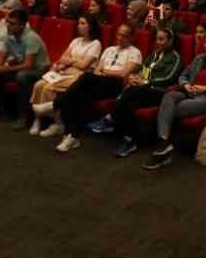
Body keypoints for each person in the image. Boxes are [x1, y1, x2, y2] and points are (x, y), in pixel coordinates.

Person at [142, 24, 206, 170]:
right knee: (169, 96)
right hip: (189, 92)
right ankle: (163, 143)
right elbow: (183, 75)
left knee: (171, 108)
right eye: (205, 42)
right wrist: (185, 85)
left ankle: (162, 146)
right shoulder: (200, 58)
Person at [53, 22, 142, 151]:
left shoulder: (135, 52)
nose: (120, 38)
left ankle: (58, 103)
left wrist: (104, 71)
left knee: (85, 78)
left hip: (117, 85)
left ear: (131, 38)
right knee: (81, 95)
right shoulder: (109, 49)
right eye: (118, 34)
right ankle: (72, 136)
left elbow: (123, 74)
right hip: (100, 82)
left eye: (124, 36)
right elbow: (96, 71)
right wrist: (102, 72)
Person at [107, 26, 185, 158]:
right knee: (132, 103)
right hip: (144, 90)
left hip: (160, 93)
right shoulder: (154, 55)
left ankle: (110, 118)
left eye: (162, 39)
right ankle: (130, 140)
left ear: (170, 41)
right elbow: (143, 70)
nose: (158, 42)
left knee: (132, 91)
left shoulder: (175, 57)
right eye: (157, 39)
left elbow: (169, 78)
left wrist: (147, 82)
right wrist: (134, 77)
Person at [30, 16, 103, 137]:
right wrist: (73, 61)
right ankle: (37, 120)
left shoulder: (96, 44)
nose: (79, 25)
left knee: (49, 87)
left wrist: (70, 61)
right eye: (79, 22)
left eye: (82, 23)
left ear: (90, 26)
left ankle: (58, 124)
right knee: (39, 85)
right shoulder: (75, 41)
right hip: (65, 71)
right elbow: (62, 58)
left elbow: (84, 65)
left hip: (79, 75)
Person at [0, 7, 47, 126]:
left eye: (12, 24)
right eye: (7, 22)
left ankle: (24, 116)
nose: (8, 26)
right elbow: (2, 58)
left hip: (39, 70)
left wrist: (3, 69)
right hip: (21, 67)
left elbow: (28, 65)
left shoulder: (31, 37)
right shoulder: (9, 37)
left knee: (21, 76)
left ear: (22, 25)